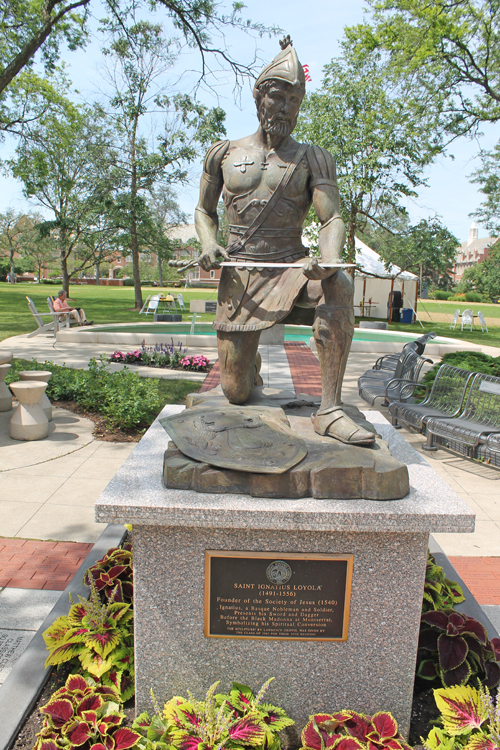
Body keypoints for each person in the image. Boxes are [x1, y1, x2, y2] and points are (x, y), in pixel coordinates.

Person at [195, 37, 374, 445]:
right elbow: (204, 211)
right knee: (236, 393)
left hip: (292, 266)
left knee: (337, 285)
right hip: (241, 276)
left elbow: (332, 218)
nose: (286, 109)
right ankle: (247, 364)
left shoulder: (313, 157)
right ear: (259, 97)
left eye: (295, 100)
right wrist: (208, 243)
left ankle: (329, 409)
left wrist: (328, 259)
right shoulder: (223, 153)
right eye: (279, 97)